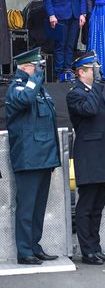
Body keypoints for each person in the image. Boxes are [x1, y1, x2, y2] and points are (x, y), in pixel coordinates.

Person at [5, 48, 61, 265]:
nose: (39, 70)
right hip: (28, 158)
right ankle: (24, 251)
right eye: (36, 67)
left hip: (44, 157)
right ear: (25, 67)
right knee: (27, 208)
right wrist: (35, 78)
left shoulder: (39, 90)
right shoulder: (17, 88)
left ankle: (35, 246)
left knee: (38, 208)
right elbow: (25, 100)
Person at [66, 51, 105, 264]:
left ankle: (95, 247)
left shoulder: (96, 91)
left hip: (103, 156)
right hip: (89, 158)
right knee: (86, 206)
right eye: (92, 69)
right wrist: (97, 86)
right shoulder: (75, 94)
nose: (96, 72)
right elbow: (88, 110)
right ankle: (87, 250)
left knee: (98, 207)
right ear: (81, 72)